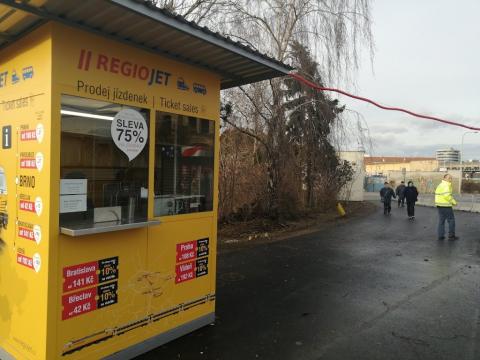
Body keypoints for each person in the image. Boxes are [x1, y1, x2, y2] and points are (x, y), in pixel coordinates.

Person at [435, 173, 458, 240]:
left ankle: (441, 235)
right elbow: (447, 196)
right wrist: (454, 202)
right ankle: (451, 236)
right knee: (451, 220)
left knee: (441, 221)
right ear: (444, 178)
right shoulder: (446, 185)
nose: (450, 179)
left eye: (451, 178)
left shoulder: (440, 185)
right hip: (446, 205)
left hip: (440, 205)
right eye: (449, 178)